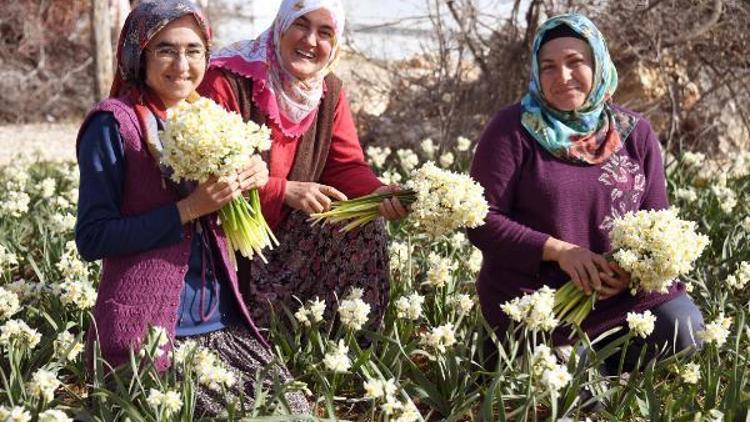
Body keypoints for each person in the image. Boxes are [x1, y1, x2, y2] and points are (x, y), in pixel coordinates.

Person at [75, 0, 308, 415]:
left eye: (194, 50)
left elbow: (229, 223)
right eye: (165, 49)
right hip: (152, 333)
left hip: (222, 324)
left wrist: (248, 183)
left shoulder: (212, 118)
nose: (181, 64)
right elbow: (92, 238)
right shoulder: (114, 124)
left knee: (295, 412)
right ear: (138, 54)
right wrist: (187, 209)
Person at [468, 14, 704, 374]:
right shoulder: (511, 130)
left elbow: (659, 222)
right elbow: (481, 220)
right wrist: (561, 253)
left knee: (685, 328)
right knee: (563, 389)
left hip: (620, 297)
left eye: (575, 62)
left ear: (598, 63)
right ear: (535, 73)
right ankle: (581, 378)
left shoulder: (634, 133)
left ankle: (603, 377)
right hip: (542, 303)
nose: (562, 77)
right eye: (548, 67)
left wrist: (630, 272)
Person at [197, 0, 408, 330]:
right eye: (301, 24)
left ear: (335, 43)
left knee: (363, 224)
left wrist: (378, 193)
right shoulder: (229, 78)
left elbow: (345, 164)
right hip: (224, 239)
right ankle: (258, 324)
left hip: (281, 239)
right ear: (281, 25)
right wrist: (283, 190)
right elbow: (207, 168)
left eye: (325, 32)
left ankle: (344, 344)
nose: (310, 41)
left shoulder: (328, 91)